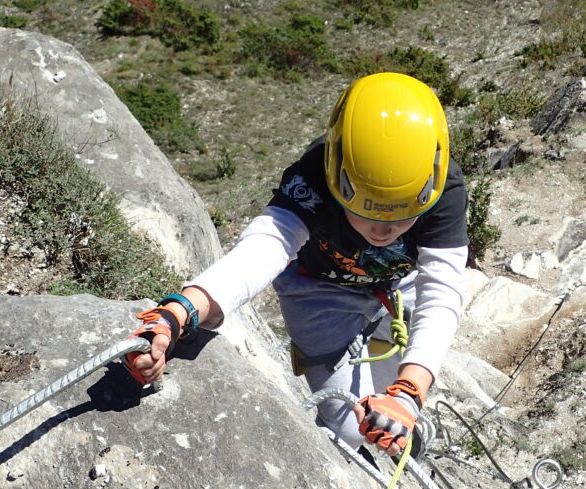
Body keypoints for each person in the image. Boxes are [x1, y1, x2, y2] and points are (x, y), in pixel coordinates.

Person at [124, 72, 469, 457]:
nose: (384, 230)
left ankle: (399, 404)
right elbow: (265, 247)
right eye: (366, 212)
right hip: (320, 290)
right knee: (355, 432)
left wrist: (408, 393)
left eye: (403, 216)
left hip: (398, 286)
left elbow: (441, 291)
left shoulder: (443, 190)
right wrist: (179, 311)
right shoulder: (315, 176)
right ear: (337, 176)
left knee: (392, 415)